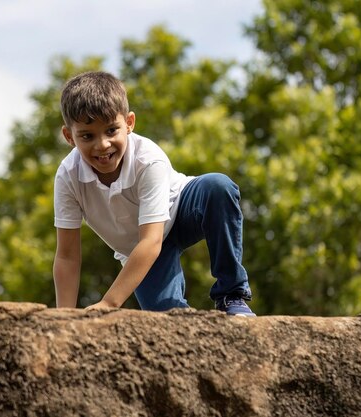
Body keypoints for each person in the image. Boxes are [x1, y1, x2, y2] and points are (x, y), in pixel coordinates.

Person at [52, 71, 255, 316]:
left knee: (218, 187)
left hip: (179, 210)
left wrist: (108, 303)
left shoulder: (148, 159)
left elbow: (153, 240)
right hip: (139, 247)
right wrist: (63, 316)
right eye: (87, 136)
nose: (102, 144)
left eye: (111, 131)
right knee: (166, 318)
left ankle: (231, 294)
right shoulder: (68, 177)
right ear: (69, 136)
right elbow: (67, 256)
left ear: (129, 123)